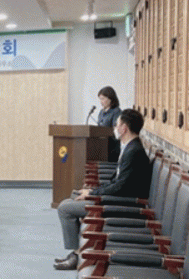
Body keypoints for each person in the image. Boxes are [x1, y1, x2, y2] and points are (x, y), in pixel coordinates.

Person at [54, 108, 151, 270]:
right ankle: (77, 252)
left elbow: (120, 186)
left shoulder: (134, 151)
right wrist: (91, 191)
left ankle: (76, 254)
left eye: (117, 124)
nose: (115, 128)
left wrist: (93, 193)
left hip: (121, 204)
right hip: (117, 197)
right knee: (75, 194)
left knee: (64, 208)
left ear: (124, 128)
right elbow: (117, 181)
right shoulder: (130, 147)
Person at [97, 86, 122, 161]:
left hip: (112, 147)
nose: (101, 102)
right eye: (100, 99)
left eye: (103, 99)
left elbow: (116, 129)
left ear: (110, 98)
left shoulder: (116, 112)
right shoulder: (101, 112)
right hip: (101, 146)